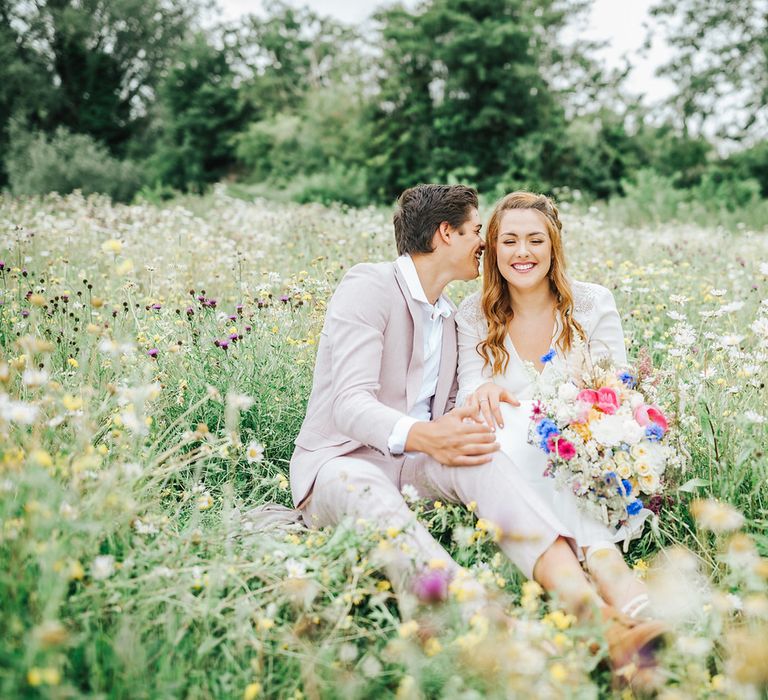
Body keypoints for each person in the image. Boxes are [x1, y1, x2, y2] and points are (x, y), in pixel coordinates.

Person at [289, 183, 665, 677]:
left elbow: (457, 403)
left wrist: (467, 416)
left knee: (482, 450)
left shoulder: (448, 315)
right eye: (476, 233)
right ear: (446, 233)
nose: (484, 247)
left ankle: (596, 619)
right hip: (339, 463)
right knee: (367, 485)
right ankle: (495, 634)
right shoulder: (369, 286)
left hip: (412, 463)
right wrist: (431, 435)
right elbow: (348, 406)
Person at [455, 190, 652, 620]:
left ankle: (594, 565)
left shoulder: (593, 303)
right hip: (512, 454)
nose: (522, 252)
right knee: (506, 421)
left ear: (553, 246)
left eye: (535, 240)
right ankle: (603, 562)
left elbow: (617, 389)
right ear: (493, 249)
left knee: (555, 433)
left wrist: (575, 419)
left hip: (586, 453)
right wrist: (480, 392)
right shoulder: (472, 314)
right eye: (508, 241)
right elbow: (468, 390)